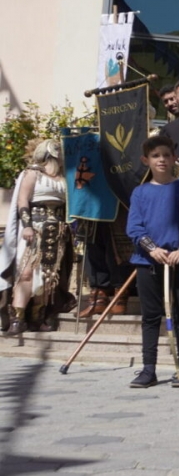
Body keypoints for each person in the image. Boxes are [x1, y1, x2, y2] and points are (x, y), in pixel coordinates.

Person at [126, 134, 179, 388]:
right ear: (146, 160)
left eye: (166, 155)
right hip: (147, 262)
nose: (161, 160)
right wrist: (152, 249)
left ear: (173, 159)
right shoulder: (140, 192)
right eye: (156, 156)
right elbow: (134, 228)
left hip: (177, 261)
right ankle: (149, 368)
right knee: (150, 316)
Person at [2, 139, 73, 335]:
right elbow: (22, 201)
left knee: (48, 277)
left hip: (57, 231)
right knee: (26, 272)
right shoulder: (32, 174)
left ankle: (37, 317)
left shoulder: (64, 178)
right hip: (35, 229)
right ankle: (18, 318)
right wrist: (26, 226)